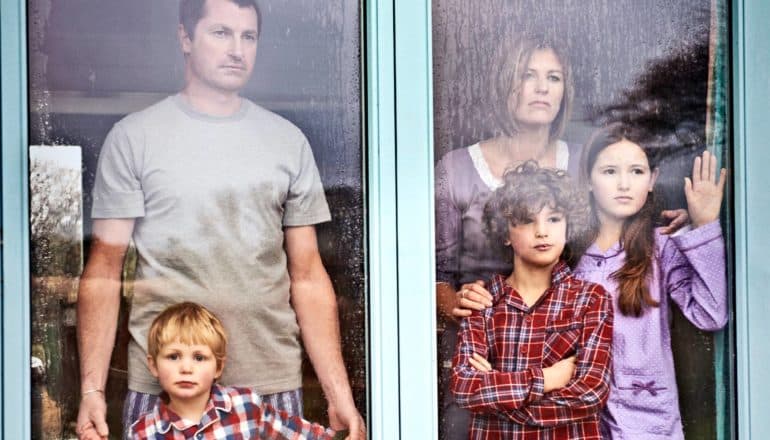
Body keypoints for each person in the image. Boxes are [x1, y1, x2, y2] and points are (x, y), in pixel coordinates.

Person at [75, 1, 365, 439]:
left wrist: (338, 393)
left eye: (248, 37)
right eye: (220, 33)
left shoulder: (287, 142)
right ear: (185, 38)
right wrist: (92, 389)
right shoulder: (134, 137)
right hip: (163, 389)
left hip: (269, 384)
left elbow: (306, 275)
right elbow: (104, 269)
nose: (237, 49)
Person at [434, 33, 580, 438]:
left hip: (559, 352)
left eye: (553, 77)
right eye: (528, 75)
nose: (541, 87)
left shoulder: (583, 163)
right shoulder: (457, 168)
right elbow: (430, 274)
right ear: (505, 83)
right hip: (480, 352)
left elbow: (613, 243)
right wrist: (454, 302)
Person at [572, 122, 727, 439]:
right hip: (581, 421)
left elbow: (711, 314)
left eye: (637, 172)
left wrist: (704, 227)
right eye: (610, 171)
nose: (624, 184)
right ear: (588, 180)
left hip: (648, 423)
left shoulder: (663, 247)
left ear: (653, 179)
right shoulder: (566, 253)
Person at [450, 161, 613, 439]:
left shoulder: (590, 299)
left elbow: (589, 392)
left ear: (567, 227)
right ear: (505, 234)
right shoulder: (483, 303)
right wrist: (548, 379)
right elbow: (466, 388)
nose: (541, 231)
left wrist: (498, 397)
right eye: (527, 220)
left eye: (553, 219)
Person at [129, 302, 334, 439]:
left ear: (218, 367)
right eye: (173, 357)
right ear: (153, 365)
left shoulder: (245, 406)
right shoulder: (143, 433)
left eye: (199, 358)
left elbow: (302, 435)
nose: (186, 368)